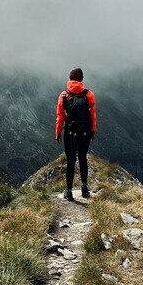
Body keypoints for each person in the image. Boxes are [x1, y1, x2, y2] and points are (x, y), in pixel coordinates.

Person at [55, 67, 97, 201]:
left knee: (71, 161)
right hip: (85, 133)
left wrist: (58, 133)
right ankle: (84, 189)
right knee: (83, 158)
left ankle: (69, 192)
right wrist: (92, 131)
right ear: (82, 79)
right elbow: (93, 116)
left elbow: (60, 116)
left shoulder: (64, 95)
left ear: (70, 79)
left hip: (70, 133)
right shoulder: (89, 94)